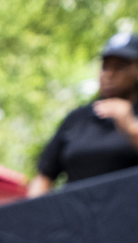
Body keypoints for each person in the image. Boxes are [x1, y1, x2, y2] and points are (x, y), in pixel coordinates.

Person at [30, 32, 138, 196]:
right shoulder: (77, 119)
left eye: (120, 67)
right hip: (76, 217)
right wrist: (35, 214)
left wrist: (130, 126)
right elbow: (44, 176)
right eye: (105, 66)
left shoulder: (132, 119)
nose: (109, 74)